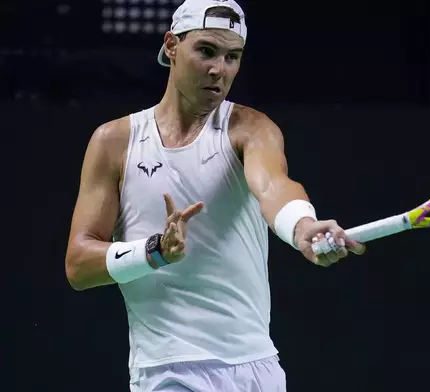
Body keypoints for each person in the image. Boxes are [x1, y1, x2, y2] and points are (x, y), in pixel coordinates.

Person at [64, 0, 366, 390]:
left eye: (232, 57)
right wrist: (155, 251)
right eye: (206, 51)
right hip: (167, 370)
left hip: (257, 368)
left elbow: (274, 186)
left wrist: (301, 226)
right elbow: (78, 265)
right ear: (171, 46)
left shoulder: (250, 128)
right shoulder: (115, 143)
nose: (218, 70)